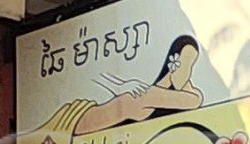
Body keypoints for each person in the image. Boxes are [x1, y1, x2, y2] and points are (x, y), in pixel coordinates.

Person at [44, 36, 205, 136]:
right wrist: (183, 82)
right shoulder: (150, 94)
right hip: (74, 122)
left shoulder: (149, 91)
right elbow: (195, 99)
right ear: (174, 63)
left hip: (77, 124)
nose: (189, 72)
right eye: (187, 63)